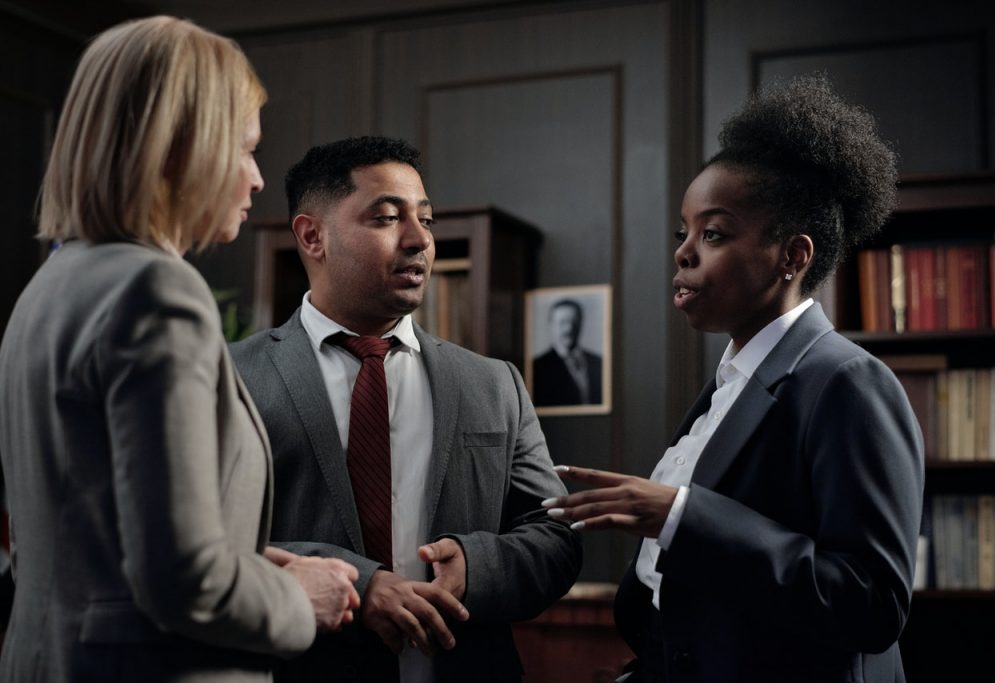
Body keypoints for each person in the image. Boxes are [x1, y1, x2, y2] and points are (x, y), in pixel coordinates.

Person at [0, 16, 361, 682]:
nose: (257, 179)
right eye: (246, 148)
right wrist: (298, 596)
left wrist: (248, 560)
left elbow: (82, 540)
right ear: (178, 146)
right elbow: (182, 580)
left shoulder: (48, 288)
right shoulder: (157, 291)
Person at [542, 75, 924, 682]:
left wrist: (680, 515)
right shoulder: (729, 383)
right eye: (683, 233)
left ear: (792, 257)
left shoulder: (848, 382)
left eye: (713, 233)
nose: (683, 253)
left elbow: (872, 602)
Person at [229, 136, 582, 683]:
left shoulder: (494, 383)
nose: (419, 240)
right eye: (388, 218)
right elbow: (202, 543)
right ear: (312, 235)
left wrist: (475, 566)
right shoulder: (228, 378)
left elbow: (555, 537)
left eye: (427, 219)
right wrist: (358, 582)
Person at [532, 298, 603, 406]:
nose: (569, 328)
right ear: (551, 325)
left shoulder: (599, 363)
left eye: (573, 322)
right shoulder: (537, 368)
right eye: (562, 323)